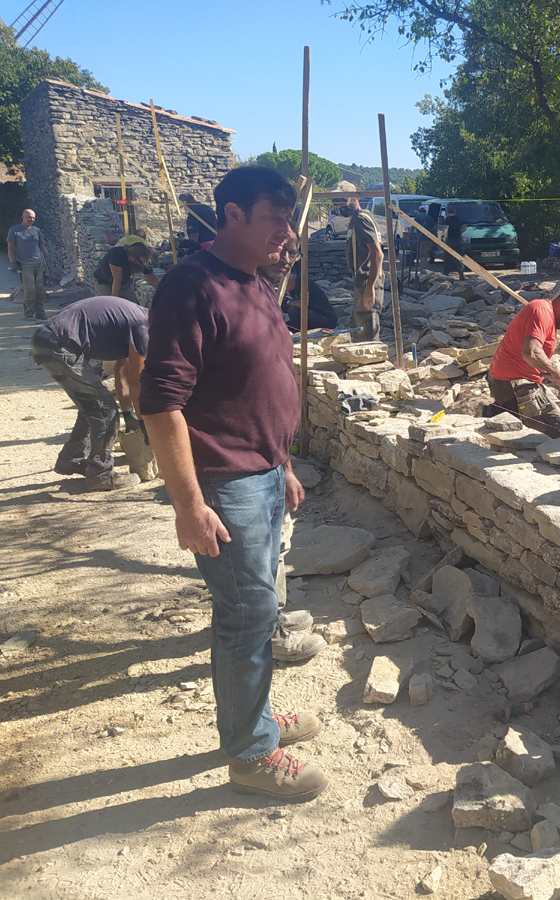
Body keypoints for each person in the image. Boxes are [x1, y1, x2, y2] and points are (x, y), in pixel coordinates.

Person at [140, 166, 329, 803]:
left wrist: (284, 464)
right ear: (232, 215)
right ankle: (250, 756)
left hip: (265, 474)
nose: (288, 232)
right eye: (276, 218)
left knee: (259, 610)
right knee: (248, 617)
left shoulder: (255, 283)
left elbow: (260, 383)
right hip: (225, 483)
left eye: (290, 219)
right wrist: (188, 504)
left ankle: (259, 717)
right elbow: (161, 404)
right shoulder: (191, 285)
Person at [30, 296, 147, 490]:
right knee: (105, 410)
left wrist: (129, 413)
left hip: (46, 339)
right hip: (59, 344)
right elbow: (136, 383)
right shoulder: (143, 328)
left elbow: (121, 371)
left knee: (92, 405)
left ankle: (71, 459)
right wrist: (143, 422)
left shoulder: (136, 320)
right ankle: (101, 474)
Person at [486, 290, 560, 438]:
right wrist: (554, 369)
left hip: (511, 382)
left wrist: (558, 379)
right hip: (511, 385)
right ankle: (499, 412)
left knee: (559, 414)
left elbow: (535, 361)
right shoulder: (541, 311)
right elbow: (531, 353)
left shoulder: (546, 314)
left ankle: (500, 411)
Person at [258, 236, 338, 331]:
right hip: (312, 314)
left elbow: (303, 304)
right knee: (286, 324)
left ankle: (301, 329)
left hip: (325, 319)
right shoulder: (293, 288)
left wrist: (288, 303)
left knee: (293, 310)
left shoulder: (302, 282)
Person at [343, 197, 383, 342]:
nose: (340, 205)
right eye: (337, 201)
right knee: (359, 324)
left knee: (367, 325)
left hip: (367, 279)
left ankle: (372, 353)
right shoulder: (356, 219)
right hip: (362, 280)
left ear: (354, 199)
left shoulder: (361, 220)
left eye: (344, 200)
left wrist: (370, 286)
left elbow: (377, 253)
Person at [8, 208, 49, 319]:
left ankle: (40, 313)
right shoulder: (14, 230)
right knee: (30, 290)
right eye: (29, 217)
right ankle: (29, 313)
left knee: (40, 290)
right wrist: (13, 263)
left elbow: (41, 245)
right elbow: (10, 247)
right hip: (25, 264)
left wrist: (46, 258)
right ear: (23, 217)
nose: (31, 219)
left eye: (33, 218)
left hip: (38, 263)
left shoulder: (36, 230)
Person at [94, 243, 160, 304]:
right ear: (132, 258)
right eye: (141, 262)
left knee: (133, 306)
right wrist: (113, 302)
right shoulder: (116, 255)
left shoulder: (141, 261)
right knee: (111, 307)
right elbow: (117, 280)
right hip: (104, 283)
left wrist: (162, 292)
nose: (143, 264)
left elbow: (152, 279)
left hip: (124, 284)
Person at [443, 207, 465, 280]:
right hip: (458, 240)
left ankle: (446, 274)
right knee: (459, 257)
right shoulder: (459, 219)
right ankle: (461, 275)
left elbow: (446, 228)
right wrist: (459, 233)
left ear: (448, 212)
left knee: (448, 257)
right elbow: (465, 228)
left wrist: (443, 235)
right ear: (454, 212)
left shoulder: (447, 219)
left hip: (450, 239)